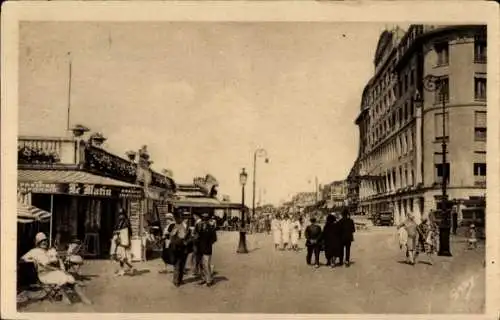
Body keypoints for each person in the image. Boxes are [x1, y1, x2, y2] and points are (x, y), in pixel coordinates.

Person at [21, 232, 91, 304]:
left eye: (45, 240)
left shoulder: (50, 250)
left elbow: (58, 260)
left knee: (69, 277)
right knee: (63, 276)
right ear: (38, 242)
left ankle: (83, 297)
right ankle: (66, 298)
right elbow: (22, 259)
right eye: (41, 241)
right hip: (44, 275)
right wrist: (32, 260)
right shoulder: (34, 251)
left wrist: (59, 263)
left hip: (54, 272)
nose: (44, 242)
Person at [194, 212, 218, 286]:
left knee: (206, 264)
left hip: (207, 249)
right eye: (203, 218)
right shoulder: (198, 226)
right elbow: (195, 234)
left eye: (206, 219)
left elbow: (214, 238)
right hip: (199, 248)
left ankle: (209, 280)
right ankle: (203, 278)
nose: (204, 220)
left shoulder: (211, 227)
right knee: (201, 264)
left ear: (208, 220)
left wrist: (208, 243)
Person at [170, 212, 193, 287]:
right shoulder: (176, 226)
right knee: (177, 264)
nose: (186, 220)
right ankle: (176, 281)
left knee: (182, 265)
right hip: (177, 248)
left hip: (184, 249)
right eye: (185, 218)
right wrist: (180, 241)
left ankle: (180, 279)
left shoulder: (188, 228)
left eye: (188, 218)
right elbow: (172, 237)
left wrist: (187, 241)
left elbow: (189, 237)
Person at [112, 208, 135, 276]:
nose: (120, 216)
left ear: (124, 214)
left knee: (122, 257)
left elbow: (127, 232)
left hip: (124, 242)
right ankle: (128, 268)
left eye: (122, 214)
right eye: (119, 214)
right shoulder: (119, 221)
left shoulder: (126, 222)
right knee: (121, 257)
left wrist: (128, 241)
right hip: (120, 242)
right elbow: (117, 229)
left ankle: (124, 270)